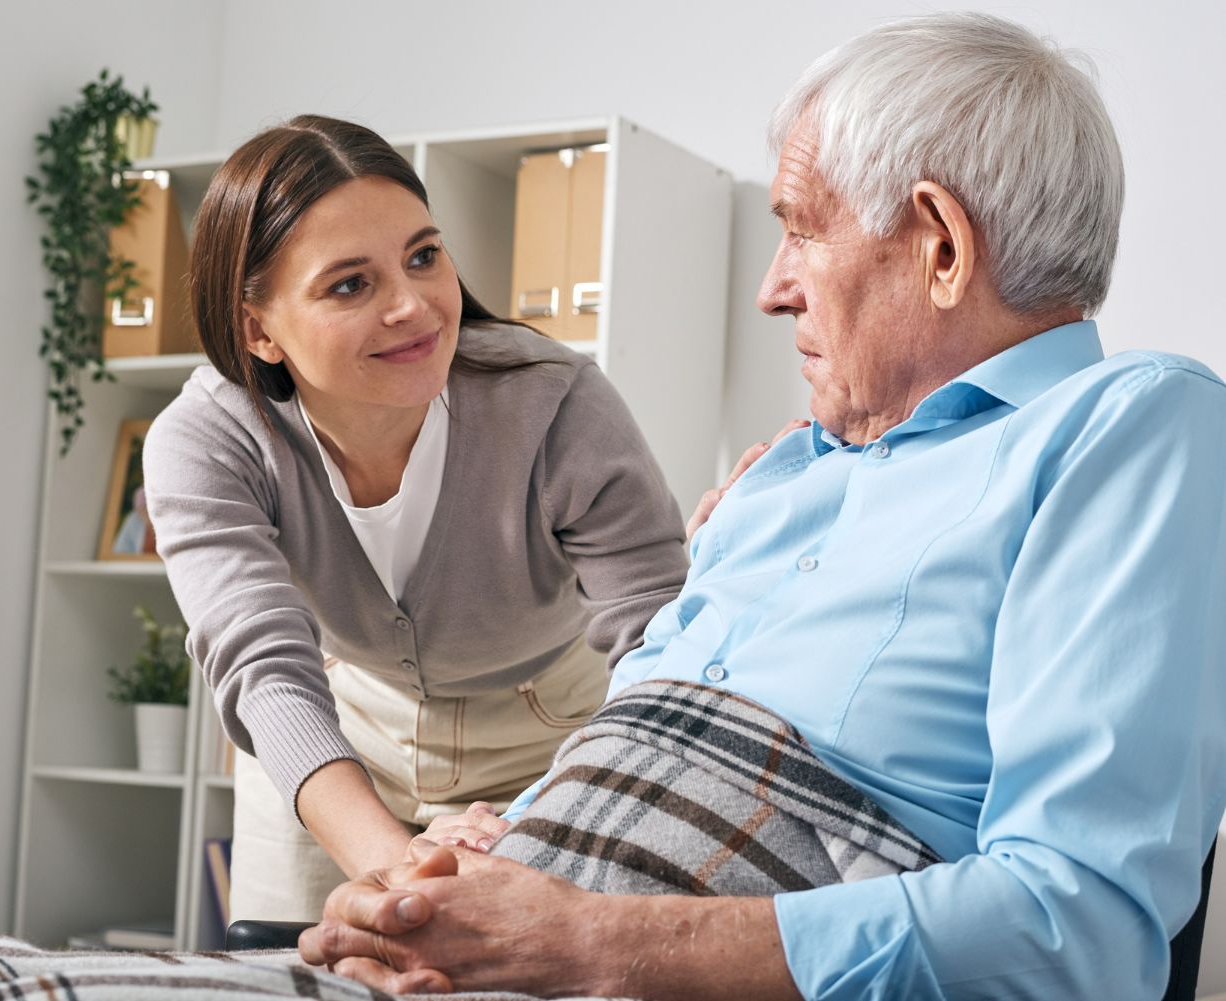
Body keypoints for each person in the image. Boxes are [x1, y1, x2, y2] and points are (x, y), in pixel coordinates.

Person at [299, 13, 1226, 999]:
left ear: (943, 246)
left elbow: (1075, 925)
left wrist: (597, 941)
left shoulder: (1127, 426)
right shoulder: (781, 477)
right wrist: (447, 868)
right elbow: (622, 756)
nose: (772, 290)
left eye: (801, 229)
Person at [142, 115, 693, 921]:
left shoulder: (557, 403)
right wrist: (397, 861)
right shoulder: (206, 441)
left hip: (551, 737)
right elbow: (264, 670)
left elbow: (659, 640)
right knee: (287, 963)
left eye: (424, 256)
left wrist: (539, 823)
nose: (415, 306)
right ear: (258, 328)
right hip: (335, 738)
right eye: (350, 284)